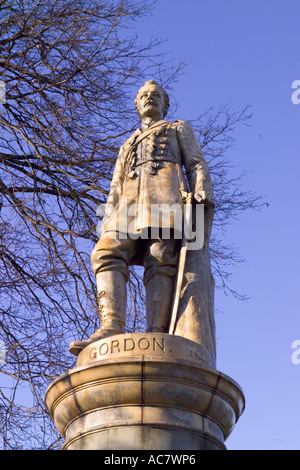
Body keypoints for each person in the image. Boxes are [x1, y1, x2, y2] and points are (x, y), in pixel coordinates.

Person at [69, 80, 214, 356]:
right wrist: (107, 218)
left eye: (156, 95)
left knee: (160, 258)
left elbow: (195, 162)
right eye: (144, 96)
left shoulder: (177, 128)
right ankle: (111, 325)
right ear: (137, 104)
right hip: (129, 204)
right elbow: (115, 185)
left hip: (165, 197)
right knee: (105, 251)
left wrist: (201, 190)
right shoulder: (127, 144)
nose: (150, 99)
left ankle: (157, 334)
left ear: (165, 104)